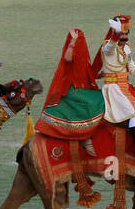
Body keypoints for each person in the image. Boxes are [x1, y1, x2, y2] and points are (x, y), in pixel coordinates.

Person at [95, 15, 135, 158]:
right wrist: (115, 34)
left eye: (125, 33)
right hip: (113, 89)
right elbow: (111, 46)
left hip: (126, 87)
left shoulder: (127, 48)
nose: (123, 36)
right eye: (121, 33)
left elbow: (132, 67)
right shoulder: (107, 47)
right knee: (133, 113)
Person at [37, 27, 104, 155]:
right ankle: (85, 136)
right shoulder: (71, 53)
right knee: (95, 101)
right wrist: (73, 41)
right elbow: (67, 58)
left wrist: (104, 74)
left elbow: (88, 74)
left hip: (81, 89)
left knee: (102, 95)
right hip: (72, 90)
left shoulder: (83, 58)